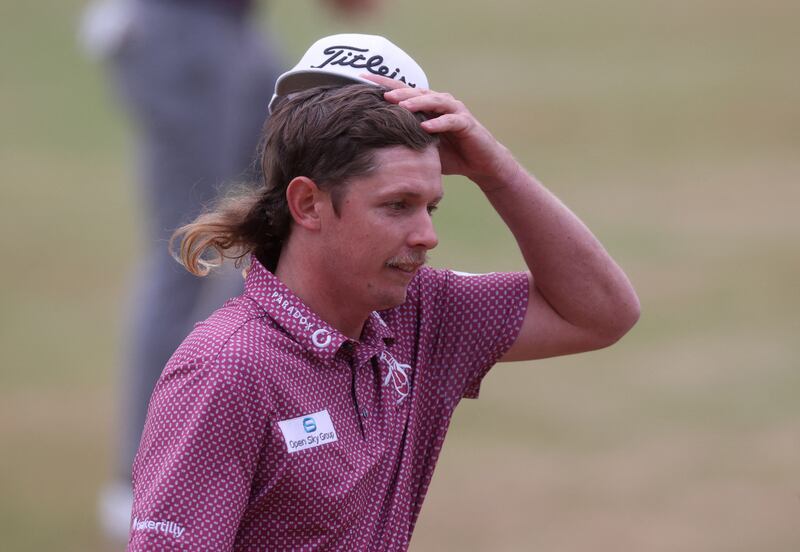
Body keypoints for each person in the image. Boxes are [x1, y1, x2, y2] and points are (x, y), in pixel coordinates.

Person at [127, 34, 640, 550]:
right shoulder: (227, 370)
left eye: (430, 207)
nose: (427, 236)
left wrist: (498, 171)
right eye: (397, 205)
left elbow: (601, 314)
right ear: (307, 204)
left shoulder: (420, 314)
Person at [80, 1, 378, 538]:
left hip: (235, 28)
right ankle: (140, 478)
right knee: (181, 251)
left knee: (299, 186)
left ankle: (255, 410)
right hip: (180, 25)